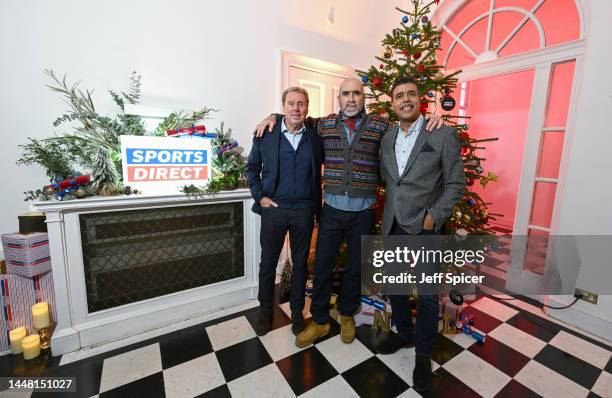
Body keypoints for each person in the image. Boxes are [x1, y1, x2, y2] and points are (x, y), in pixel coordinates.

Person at [255, 78, 444, 348]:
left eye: (356, 93)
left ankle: (347, 315)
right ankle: (320, 320)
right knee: (321, 266)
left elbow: (409, 128)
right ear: (339, 99)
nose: (351, 98)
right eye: (346, 94)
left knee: (356, 268)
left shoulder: (381, 126)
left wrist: (433, 119)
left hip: (364, 211)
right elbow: (295, 116)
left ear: (363, 97)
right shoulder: (323, 124)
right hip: (331, 209)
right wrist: (271, 116)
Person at [377, 75, 466, 393]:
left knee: (428, 296)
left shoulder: (441, 134)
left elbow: (457, 183)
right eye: (399, 95)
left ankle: (422, 353)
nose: (405, 99)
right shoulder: (387, 136)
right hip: (394, 223)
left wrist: (434, 216)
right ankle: (404, 333)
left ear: (420, 99)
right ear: (393, 102)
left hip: (426, 227)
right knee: (396, 285)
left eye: (411, 94)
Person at [245, 87, 322, 336]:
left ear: (307, 108)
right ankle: (265, 310)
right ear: (283, 106)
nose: (296, 108)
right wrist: (260, 197)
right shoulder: (265, 134)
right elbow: (251, 168)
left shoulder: (315, 136)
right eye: (291, 103)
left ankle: (297, 312)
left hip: (303, 210)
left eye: (301, 104)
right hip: (274, 211)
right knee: (268, 263)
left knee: (300, 264)